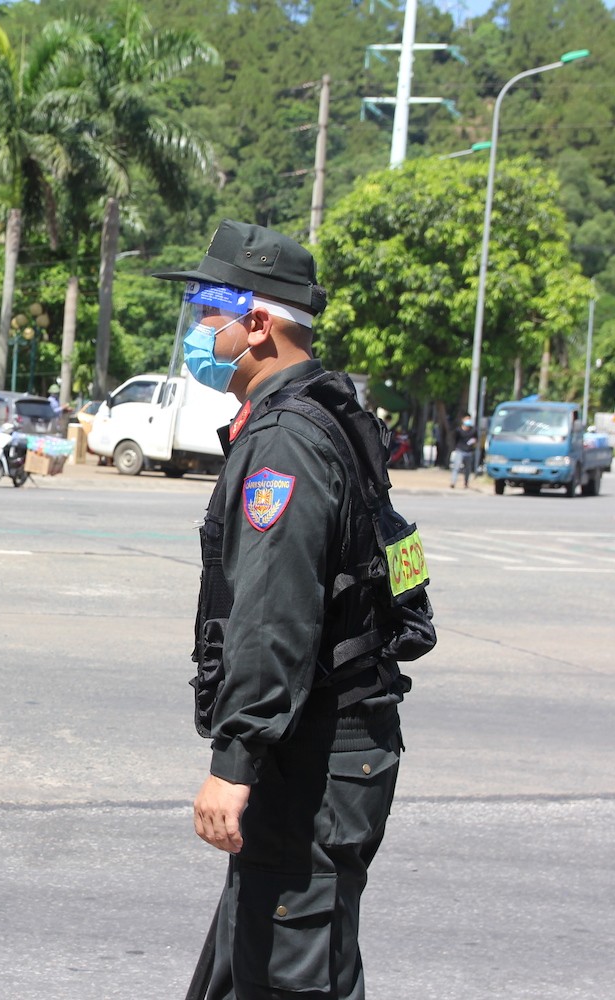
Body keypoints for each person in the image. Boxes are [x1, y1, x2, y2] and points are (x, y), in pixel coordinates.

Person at [154, 221, 412, 1000]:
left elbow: (275, 615)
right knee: (259, 963)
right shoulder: (322, 414)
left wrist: (235, 762)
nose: (200, 331)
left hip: (311, 756)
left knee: (293, 976)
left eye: (208, 312)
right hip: (323, 741)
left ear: (257, 323)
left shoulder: (287, 442)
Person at [450, 416, 477, 489]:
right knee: (456, 467)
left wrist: (474, 442)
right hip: (460, 450)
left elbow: (476, 439)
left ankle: (466, 483)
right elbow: (455, 439)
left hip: (469, 452)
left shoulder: (473, 430)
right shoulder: (458, 430)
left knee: (467, 469)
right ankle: (453, 482)